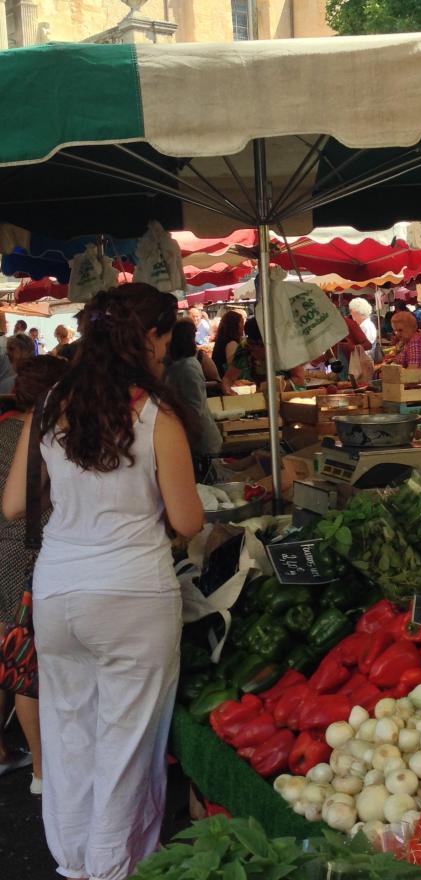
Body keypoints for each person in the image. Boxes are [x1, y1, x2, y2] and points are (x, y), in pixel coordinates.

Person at [3, 282, 204, 880]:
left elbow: (14, 504)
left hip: (59, 593)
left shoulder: (49, 405)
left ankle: (75, 864)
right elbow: (188, 520)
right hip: (133, 594)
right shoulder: (153, 413)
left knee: (69, 737)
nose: (167, 349)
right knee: (127, 745)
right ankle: (114, 869)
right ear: (148, 336)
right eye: (165, 335)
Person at [0, 355, 69, 794]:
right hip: (32, 552)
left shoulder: (2, 430)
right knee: (28, 665)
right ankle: (43, 771)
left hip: (2, 550)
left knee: (5, 653)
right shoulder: (47, 436)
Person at [165, 319, 222, 475]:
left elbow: (194, 409)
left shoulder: (187, 367)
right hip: (195, 439)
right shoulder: (180, 365)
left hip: (201, 443)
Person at [211, 308, 246, 383]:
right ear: (234, 325)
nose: (243, 326)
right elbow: (234, 370)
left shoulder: (222, 341)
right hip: (227, 384)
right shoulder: (232, 344)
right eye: (242, 323)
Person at [348, 297, 381, 361]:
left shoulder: (366, 326)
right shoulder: (366, 324)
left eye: (351, 312)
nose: (351, 314)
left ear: (356, 312)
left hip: (365, 361)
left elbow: (366, 349)